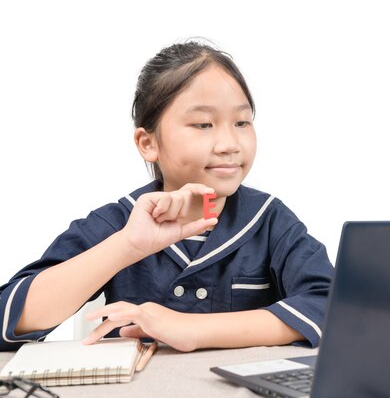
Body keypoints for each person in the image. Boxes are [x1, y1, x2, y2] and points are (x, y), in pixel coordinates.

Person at [0, 40, 333, 352]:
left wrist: (191, 329)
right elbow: (7, 318)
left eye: (242, 122)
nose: (230, 143)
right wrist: (127, 246)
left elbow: (331, 305)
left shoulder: (271, 220)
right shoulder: (118, 222)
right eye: (204, 124)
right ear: (149, 143)